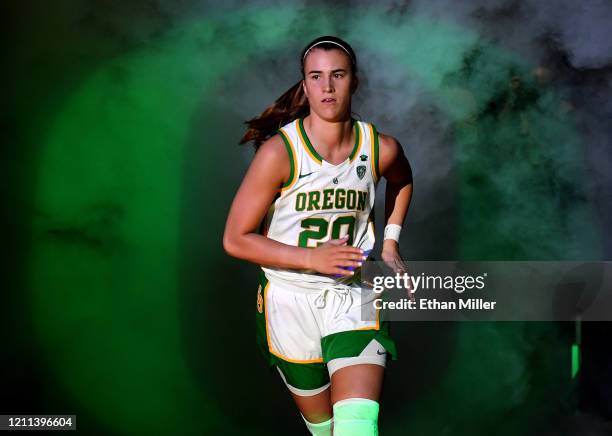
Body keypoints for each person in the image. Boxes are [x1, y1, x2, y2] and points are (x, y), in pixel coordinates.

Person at [223, 35, 413, 435]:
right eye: (317, 77)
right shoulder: (279, 153)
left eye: (338, 75)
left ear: (354, 81)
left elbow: (402, 180)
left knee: (357, 426)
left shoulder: (379, 148)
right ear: (305, 85)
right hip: (289, 302)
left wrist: (391, 240)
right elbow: (236, 239)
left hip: (353, 294)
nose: (327, 87)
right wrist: (311, 258)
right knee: (323, 428)